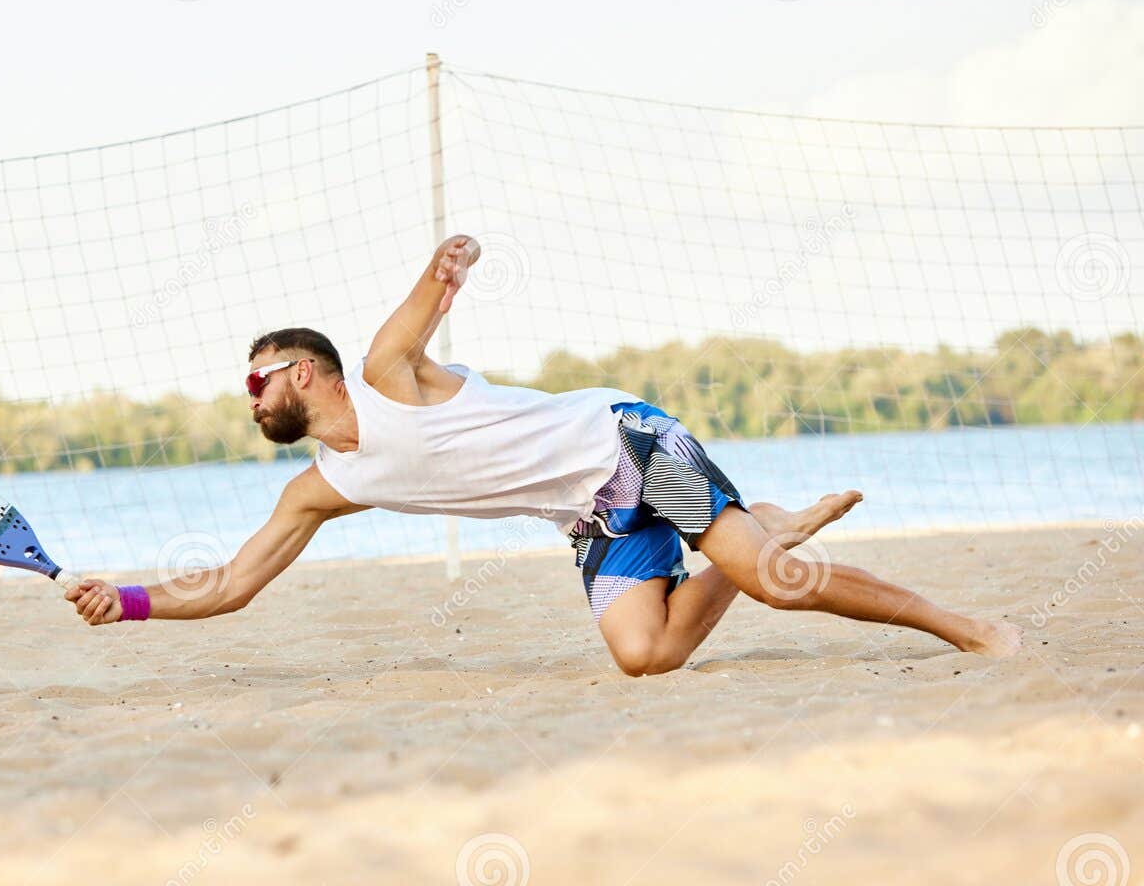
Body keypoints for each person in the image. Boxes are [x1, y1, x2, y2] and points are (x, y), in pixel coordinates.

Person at [67, 235, 1022, 673]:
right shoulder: (324, 486)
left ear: (305, 372)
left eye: (257, 379)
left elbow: (423, 306)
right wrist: (133, 600)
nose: (250, 398)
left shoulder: (387, 375)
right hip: (595, 516)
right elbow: (232, 583)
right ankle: (753, 525)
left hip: (629, 442)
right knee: (647, 654)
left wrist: (448, 269)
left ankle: (960, 625)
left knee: (775, 580)